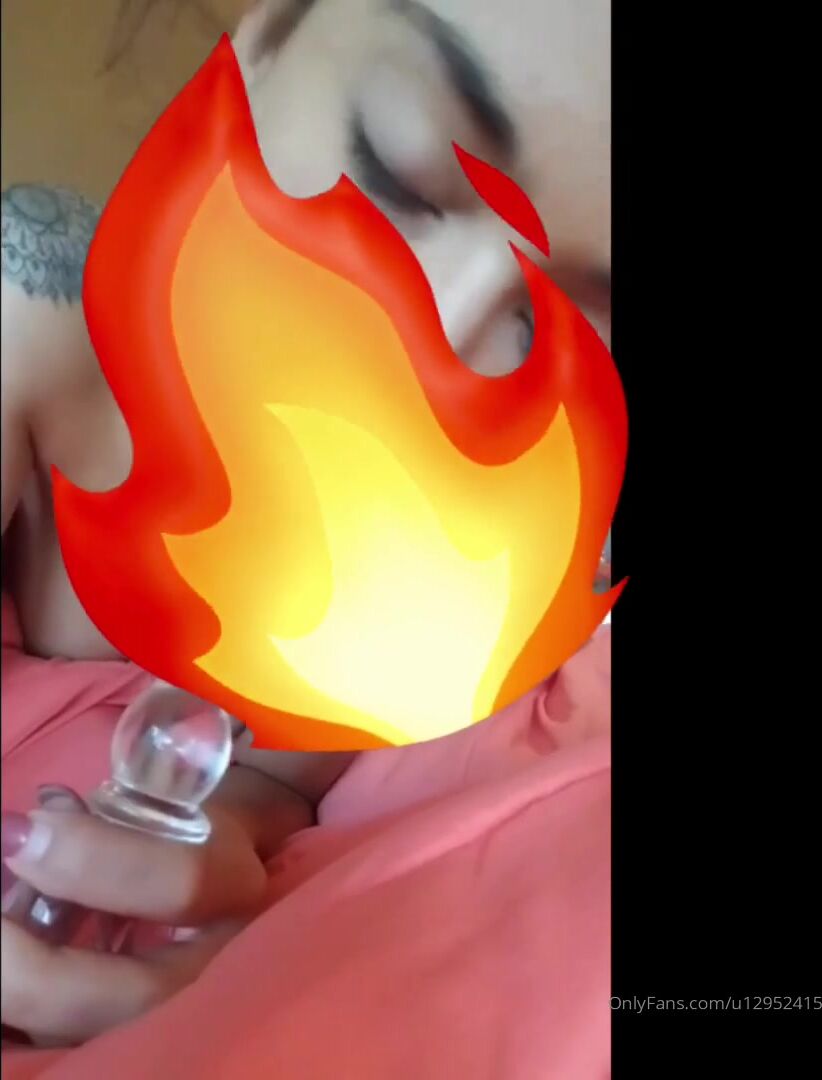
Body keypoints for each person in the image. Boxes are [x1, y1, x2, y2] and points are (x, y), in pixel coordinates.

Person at [1, 0, 611, 1048]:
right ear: (266, 36)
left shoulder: (473, 574)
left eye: (575, 330)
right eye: (397, 165)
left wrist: (228, 825)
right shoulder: (27, 312)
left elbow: (270, 771)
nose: (435, 346)